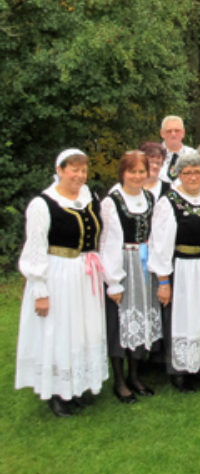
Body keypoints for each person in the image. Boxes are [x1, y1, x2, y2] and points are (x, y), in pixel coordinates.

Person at [16, 149, 107, 417]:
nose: (79, 175)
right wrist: (40, 291)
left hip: (85, 274)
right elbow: (35, 249)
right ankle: (56, 392)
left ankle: (78, 386)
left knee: (82, 330)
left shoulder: (90, 197)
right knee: (59, 330)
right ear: (59, 170)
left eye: (83, 170)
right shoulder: (43, 204)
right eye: (73, 170)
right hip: (58, 274)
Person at [148, 152, 200, 393]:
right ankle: (182, 371)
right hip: (185, 269)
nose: (194, 177)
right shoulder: (169, 202)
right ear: (179, 174)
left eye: (198, 171)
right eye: (188, 173)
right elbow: (160, 245)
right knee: (186, 316)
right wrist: (163, 280)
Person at [99, 150, 161, 403]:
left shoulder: (149, 197)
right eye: (132, 171)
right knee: (120, 322)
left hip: (145, 263)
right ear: (122, 173)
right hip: (124, 262)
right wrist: (113, 280)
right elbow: (109, 241)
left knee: (143, 317)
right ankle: (119, 380)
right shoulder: (112, 201)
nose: (137, 176)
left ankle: (135, 375)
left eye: (141, 171)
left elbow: (155, 233)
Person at [159, 115, 195, 183]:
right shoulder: (152, 156)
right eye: (169, 131)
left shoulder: (194, 155)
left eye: (177, 130)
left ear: (183, 133)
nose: (173, 134)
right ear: (162, 133)